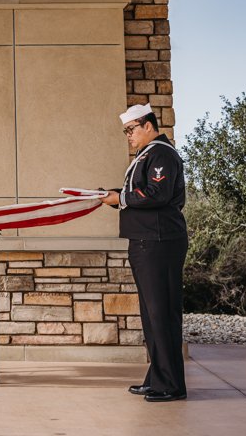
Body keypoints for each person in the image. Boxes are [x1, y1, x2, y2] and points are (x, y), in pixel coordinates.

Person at [101, 103, 188, 402]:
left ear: (148, 125)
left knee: (162, 313)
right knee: (152, 316)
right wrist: (112, 197)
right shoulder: (147, 155)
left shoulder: (161, 153)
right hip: (145, 242)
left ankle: (171, 385)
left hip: (160, 242)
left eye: (131, 129)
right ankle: (158, 377)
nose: (128, 136)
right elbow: (140, 193)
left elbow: (156, 194)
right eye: (126, 131)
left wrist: (119, 197)